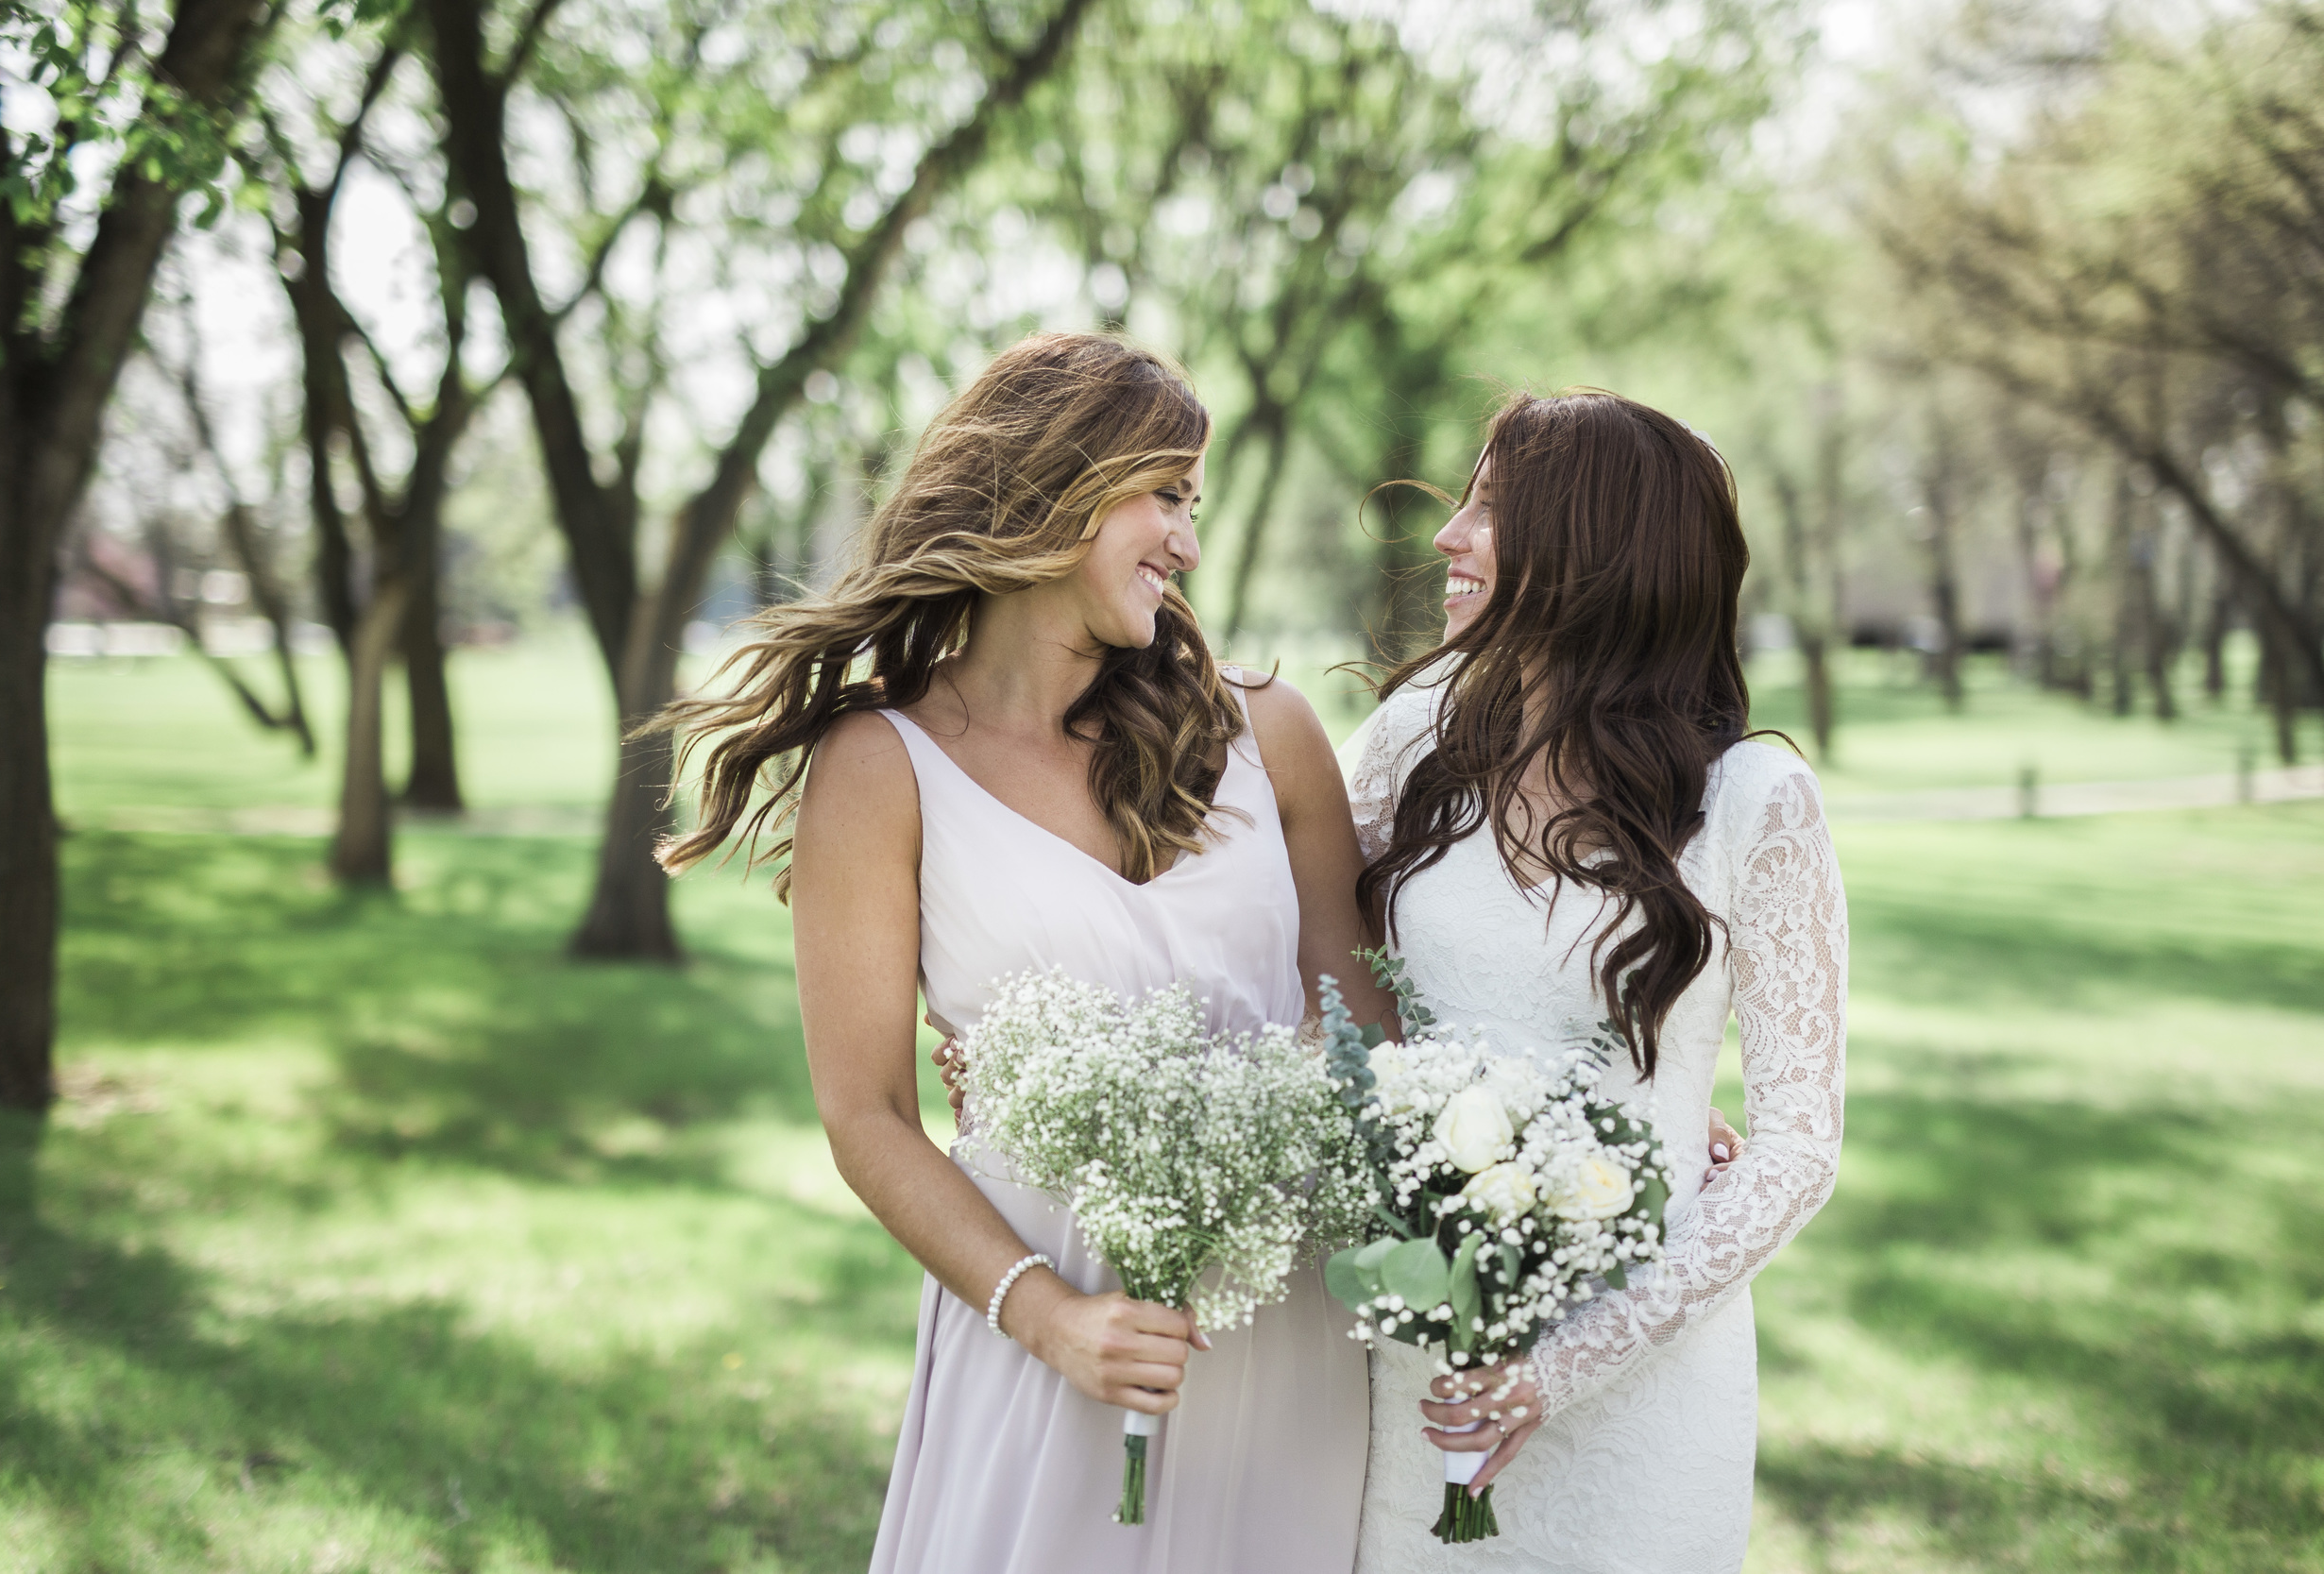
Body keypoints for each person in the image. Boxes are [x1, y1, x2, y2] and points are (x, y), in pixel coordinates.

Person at [653, 331, 1385, 1574]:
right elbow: (868, 1113)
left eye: (1194, 504)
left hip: (1278, 1331)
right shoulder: (882, 768)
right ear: (1052, 488)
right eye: (1163, 495)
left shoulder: (1271, 734)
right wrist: (1052, 1317)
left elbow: (1370, 1040)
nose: (1188, 542)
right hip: (1050, 1329)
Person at [1343, 390, 1847, 1573]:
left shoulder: (1752, 804)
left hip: (1643, 1391)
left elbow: (1795, 1149)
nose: (1446, 538)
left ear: (1593, 551)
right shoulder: (1416, 735)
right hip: (1423, 1375)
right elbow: (1280, 942)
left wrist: (1551, 1371)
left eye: (1490, 510)